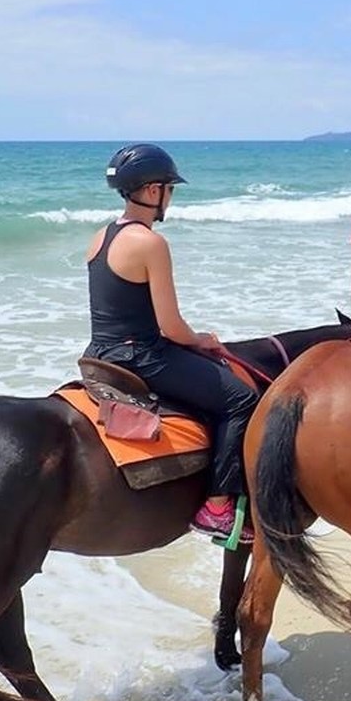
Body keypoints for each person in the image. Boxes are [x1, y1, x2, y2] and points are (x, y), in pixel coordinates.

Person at [84, 143, 259, 541]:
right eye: (169, 189)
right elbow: (171, 327)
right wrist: (201, 340)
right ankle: (216, 507)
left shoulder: (100, 237)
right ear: (151, 191)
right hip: (143, 357)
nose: (170, 198)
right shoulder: (150, 243)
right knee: (241, 401)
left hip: (100, 354)